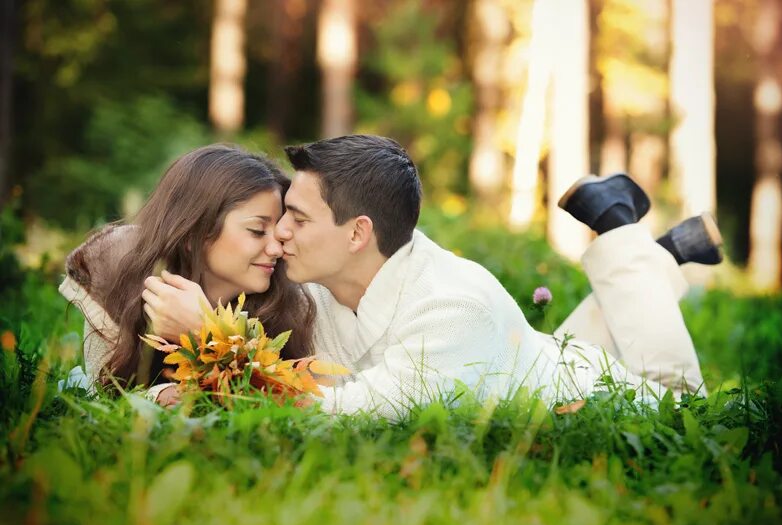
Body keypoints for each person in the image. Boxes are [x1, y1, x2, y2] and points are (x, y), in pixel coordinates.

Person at [144, 135, 723, 419]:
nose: (280, 236)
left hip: (605, 399)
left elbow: (342, 417)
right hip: (526, 358)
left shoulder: (454, 310)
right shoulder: (317, 279)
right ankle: (655, 252)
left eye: (296, 218)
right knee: (532, 350)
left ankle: (622, 230)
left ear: (357, 233)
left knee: (681, 397)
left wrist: (213, 346)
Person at [59, 144, 316, 404]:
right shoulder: (117, 273)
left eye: (279, 230)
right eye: (257, 231)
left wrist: (206, 331)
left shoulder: (291, 303)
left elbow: (289, 402)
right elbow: (103, 394)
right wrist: (158, 395)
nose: (276, 248)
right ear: (193, 233)